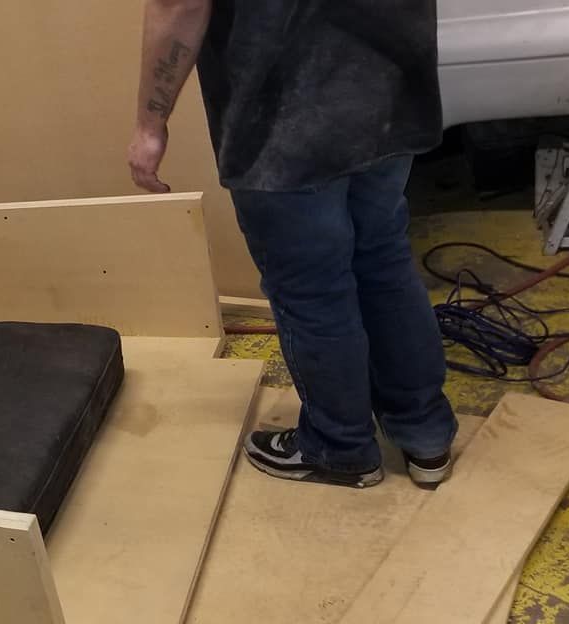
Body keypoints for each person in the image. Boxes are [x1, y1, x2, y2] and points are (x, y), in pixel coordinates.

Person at [127, 0, 457, 488]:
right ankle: (425, 434)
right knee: (383, 260)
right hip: (388, 91)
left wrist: (150, 125)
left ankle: (340, 447)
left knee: (313, 289)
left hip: (284, 120)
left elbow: (182, 4)